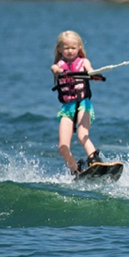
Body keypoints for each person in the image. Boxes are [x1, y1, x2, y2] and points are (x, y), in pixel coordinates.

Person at [51, 30, 104, 174]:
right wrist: (60, 71)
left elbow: (91, 70)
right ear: (59, 49)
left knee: (82, 135)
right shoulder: (58, 65)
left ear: (79, 48)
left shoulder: (84, 62)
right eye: (66, 48)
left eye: (73, 48)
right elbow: (55, 69)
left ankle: (95, 161)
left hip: (83, 104)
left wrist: (95, 75)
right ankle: (76, 169)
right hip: (67, 108)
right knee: (62, 147)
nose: (69, 51)